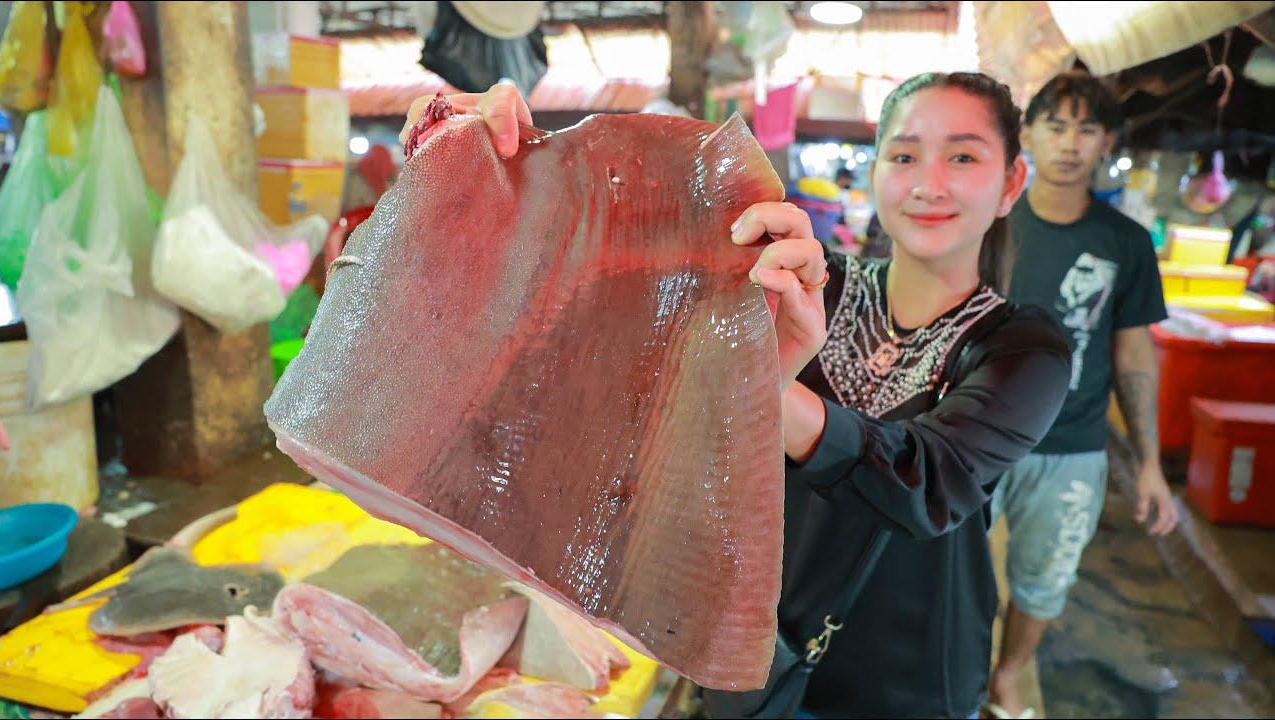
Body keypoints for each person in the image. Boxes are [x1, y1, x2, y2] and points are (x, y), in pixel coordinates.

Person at [400, 73, 1072, 719]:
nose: (929, 183)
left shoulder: (1024, 349)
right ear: (874, 171)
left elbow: (927, 480)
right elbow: (630, 271)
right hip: (749, 658)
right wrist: (516, 164)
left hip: (908, 677)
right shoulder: (805, 280)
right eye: (904, 154)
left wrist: (758, 385)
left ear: (1012, 181)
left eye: (963, 156)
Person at [985, 71, 1179, 720]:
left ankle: (1009, 675)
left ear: (1107, 143)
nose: (1070, 143)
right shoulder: (988, 222)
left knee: (1045, 579)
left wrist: (1149, 463)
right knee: (945, 568)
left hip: (1071, 448)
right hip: (972, 438)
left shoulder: (1125, 242)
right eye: (1056, 125)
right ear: (1029, 135)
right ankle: (952, 669)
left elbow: (1132, 352)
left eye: (1087, 129)